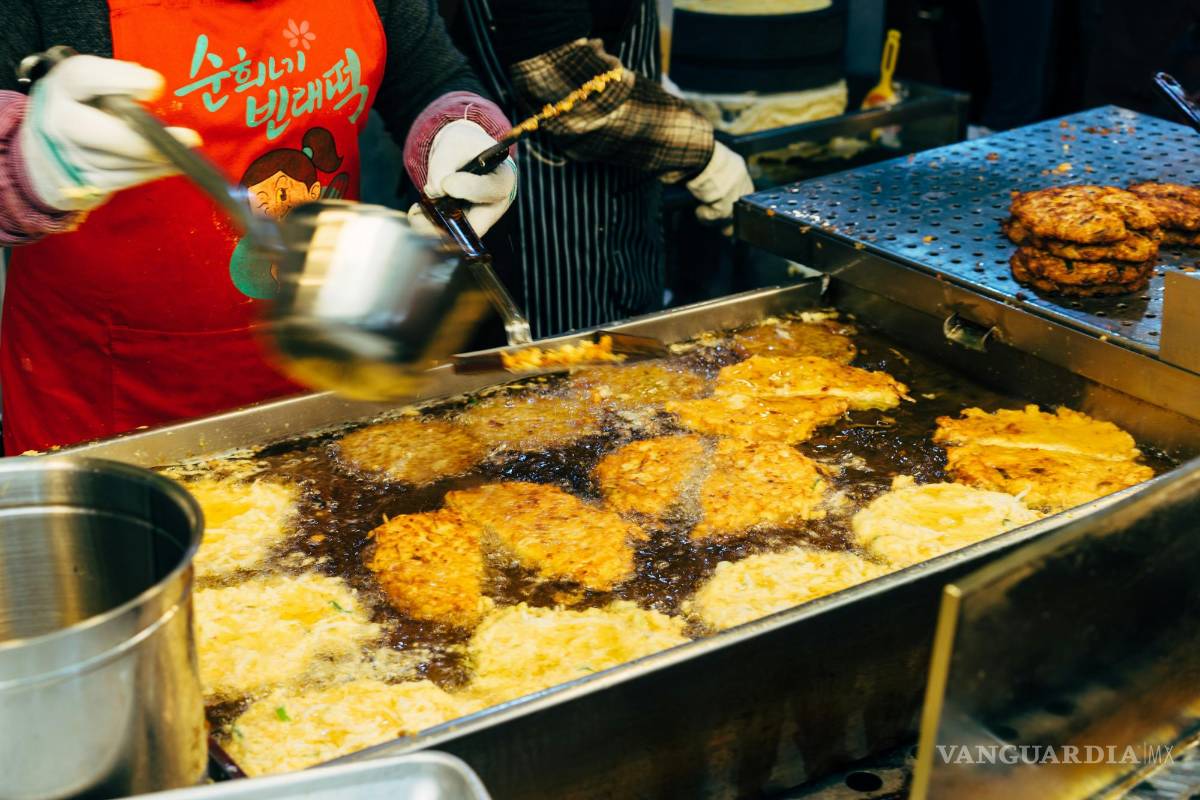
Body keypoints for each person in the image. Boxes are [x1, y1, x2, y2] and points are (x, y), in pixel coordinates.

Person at [0, 0, 519, 453]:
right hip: (108, 398)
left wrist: (457, 129)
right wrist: (24, 169)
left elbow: (429, 77)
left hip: (333, 359)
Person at [438, 0, 754, 338]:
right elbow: (559, 78)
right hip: (548, 213)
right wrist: (702, 153)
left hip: (616, 202)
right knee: (567, 369)